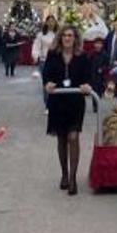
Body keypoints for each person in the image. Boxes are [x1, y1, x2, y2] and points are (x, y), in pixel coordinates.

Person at [42, 25, 92, 195]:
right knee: (62, 138)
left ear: (75, 38)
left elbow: (88, 75)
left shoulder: (82, 56)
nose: (67, 38)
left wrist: (86, 85)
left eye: (70, 35)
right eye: (64, 35)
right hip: (58, 101)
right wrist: (47, 83)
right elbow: (46, 74)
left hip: (75, 101)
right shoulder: (53, 55)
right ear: (60, 38)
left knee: (73, 136)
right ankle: (64, 174)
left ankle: (72, 178)